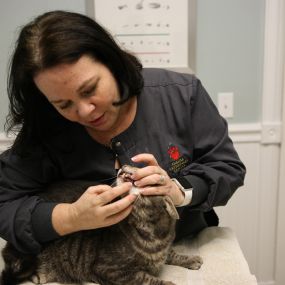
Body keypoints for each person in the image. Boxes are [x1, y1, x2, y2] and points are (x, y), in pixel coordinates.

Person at [0, 10, 246, 254]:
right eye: (64, 104)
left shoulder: (181, 94)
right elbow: (5, 202)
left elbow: (226, 167)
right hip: (95, 263)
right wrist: (72, 217)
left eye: (90, 89)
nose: (85, 112)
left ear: (112, 62)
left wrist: (177, 190)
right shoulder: (48, 126)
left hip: (183, 247)